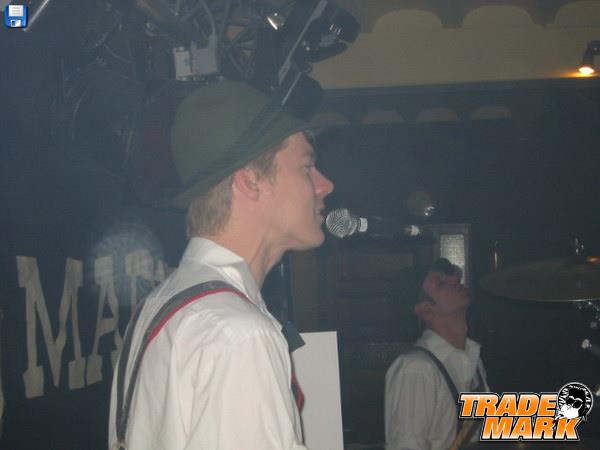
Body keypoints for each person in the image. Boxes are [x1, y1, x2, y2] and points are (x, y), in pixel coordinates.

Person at [108, 80, 334, 450]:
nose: (325, 185)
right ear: (250, 182)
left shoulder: (161, 306)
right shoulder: (239, 335)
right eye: (307, 167)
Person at [384, 259, 489, 450]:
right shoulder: (416, 369)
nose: (456, 279)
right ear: (425, 309)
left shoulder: (473, 359)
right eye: (440, 282)